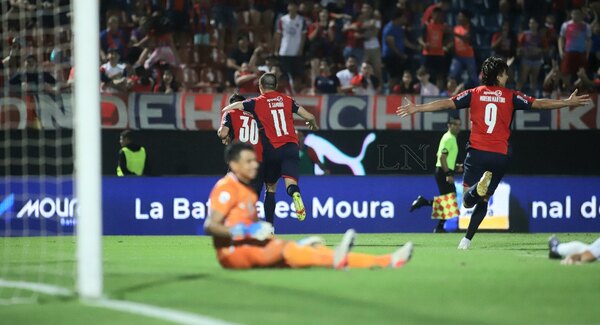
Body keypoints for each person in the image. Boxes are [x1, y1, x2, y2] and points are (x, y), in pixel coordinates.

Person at [397, 56, 591, 249]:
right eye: (505, 73)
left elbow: (446, 104)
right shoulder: (511, 95)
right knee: (484, 199)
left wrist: (417, 108)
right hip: (500, 155)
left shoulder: (474, 93)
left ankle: (476, 192)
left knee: (467, 201)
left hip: (477, 153)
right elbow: (540, 104)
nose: (508, 76)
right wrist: (566, 102)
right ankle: (466, 240)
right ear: (498, 76)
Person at [203, 142, 414, 270]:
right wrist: (245, 230)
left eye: (254, 160)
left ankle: (386, 260)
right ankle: (305, 248)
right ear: (233, 164)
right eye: (248, 161)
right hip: (233, 253)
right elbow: (210, 226)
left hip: (249, 249)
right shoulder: (226, 187)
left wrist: (258, 231)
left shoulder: (248, 190)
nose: (255, 165)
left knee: (311, 257)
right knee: (291, 251)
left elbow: (256, 232)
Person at [222, 73, 318, 224]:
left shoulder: (256, 102)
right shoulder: (287, 100)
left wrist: (227, 109)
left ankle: (270, 228)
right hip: (292, 147)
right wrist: (313, 124)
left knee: (270, 189)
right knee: (291, 183)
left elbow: (237, 106)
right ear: (276, 86)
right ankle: (295, 195)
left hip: (272, 150)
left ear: (260, 87)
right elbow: (309, 116)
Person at [410, 116, 462, 233]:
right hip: (443, 172)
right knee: (450, 200)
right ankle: (424, 203)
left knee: (448, 201)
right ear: (449, 125)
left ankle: (439, 227)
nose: (458, 127)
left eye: (459, 124)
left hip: (444, 170)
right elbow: (441, 157)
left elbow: (442, 156)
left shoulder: (450, 138)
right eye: (455, 124)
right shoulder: (448, 138)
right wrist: (448, 173)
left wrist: (455, 166)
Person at [218, 94, 265, 196]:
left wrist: (223, 134)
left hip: (240, 159)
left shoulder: (230, 112)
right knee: (253, 197)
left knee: (232, 193)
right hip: (258, 160)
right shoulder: (258, 116)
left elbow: (223, 133)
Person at [558, 9, 592, 90]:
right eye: (574, 14)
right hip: (569, 51)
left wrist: (587, 53)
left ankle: (579, 90)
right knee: (565, 73)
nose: (576, 16)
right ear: (571, 15)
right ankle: (567, 89)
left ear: (581, 15)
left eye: (577, 14)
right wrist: (561, 51)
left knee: (581, 73)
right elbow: (561, 38)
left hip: (581, 52)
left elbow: (589, 40)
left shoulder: (586, 26)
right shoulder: (566, 25)